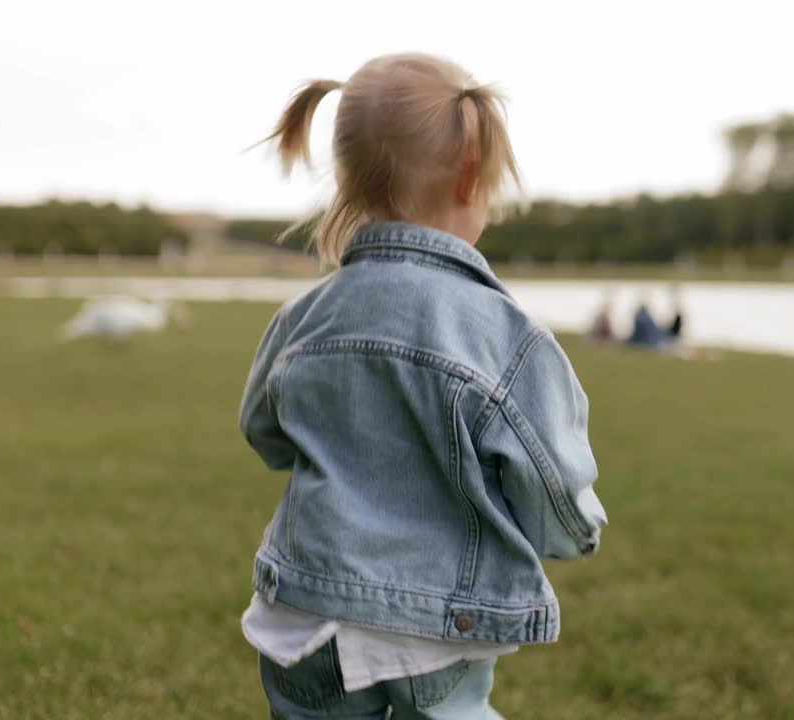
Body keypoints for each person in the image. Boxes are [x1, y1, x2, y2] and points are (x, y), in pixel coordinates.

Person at [237, 54, 606, 720]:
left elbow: (265, 434)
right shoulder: (506, 336)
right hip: (432, 629)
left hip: (300, 618)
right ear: (472, 176)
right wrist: (576, 533)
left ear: (346, 175)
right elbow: (554, 487)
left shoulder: (303, 318)